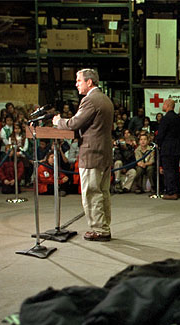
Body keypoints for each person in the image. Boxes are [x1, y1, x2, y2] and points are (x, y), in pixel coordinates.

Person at [53, 68, 114, 242]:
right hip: (103, 152)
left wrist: (59, 121)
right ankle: (104, 226)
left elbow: (74, 123)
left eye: (79, 81)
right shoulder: (105, 99)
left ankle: (99, 230)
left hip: (92, 153)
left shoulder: (90, 100)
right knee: (103, 192)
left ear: (89, 82)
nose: (76, 84)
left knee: (91, 193)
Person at [156, 98, 180, 200]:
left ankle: (171, 192)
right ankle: (177, 190)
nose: (162, 105)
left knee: (168, 170)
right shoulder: (178, 118)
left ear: (167, 105)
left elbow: (161, 134)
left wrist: (158, 142)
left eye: (163, 104)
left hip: (168, 148)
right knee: (175, 170)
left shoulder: (166, 118)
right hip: (177, 148)